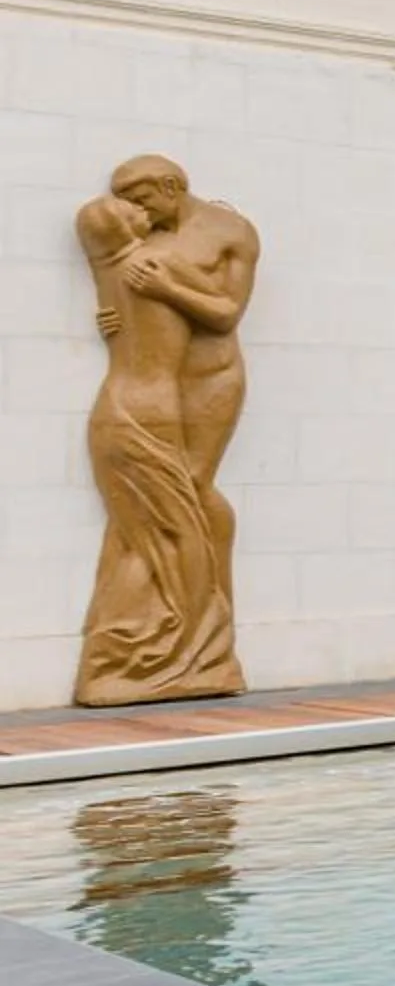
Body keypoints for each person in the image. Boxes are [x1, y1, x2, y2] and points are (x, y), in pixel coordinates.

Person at [72, 157, 260, 705]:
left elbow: (226, 313)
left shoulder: (232, 232)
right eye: (127, 205)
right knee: (176, 510)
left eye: (143, 199)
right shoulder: (137, 253)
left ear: (173, 187)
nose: (138, 211)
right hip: (152, 395)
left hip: (213, 379)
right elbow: (121, 307)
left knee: (191, 498)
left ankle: (201, 633)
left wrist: (164, 289)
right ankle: (191, 637)